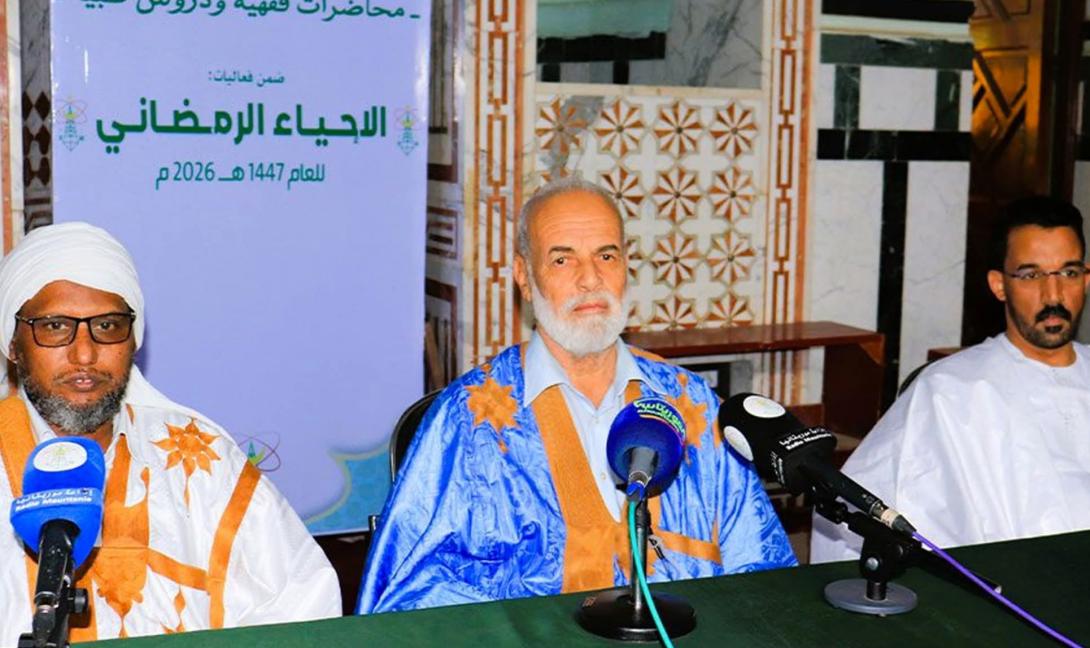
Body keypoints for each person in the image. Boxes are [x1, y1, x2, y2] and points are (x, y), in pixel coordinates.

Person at [358, 177, 796, 614]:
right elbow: (410, 595)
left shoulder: (691, 405)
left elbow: (761, 572)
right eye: (562, 259)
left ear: (626, 266)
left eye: (606, 255)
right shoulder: (469, 419)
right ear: (524, 277)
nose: (590, 279)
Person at [0, 222, 340, 641]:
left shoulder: (200, 460)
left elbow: (302, 606)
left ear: (133, 338)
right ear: (13, 344)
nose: (84, 354)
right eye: (54, 327)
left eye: (107, 326)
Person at [811, 196, 1090, 563]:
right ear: (999, 285)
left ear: (1086, 278)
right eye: (1031, 275)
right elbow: (854, 511)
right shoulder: (950, 390)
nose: (1053, 295)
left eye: (1068, 273)